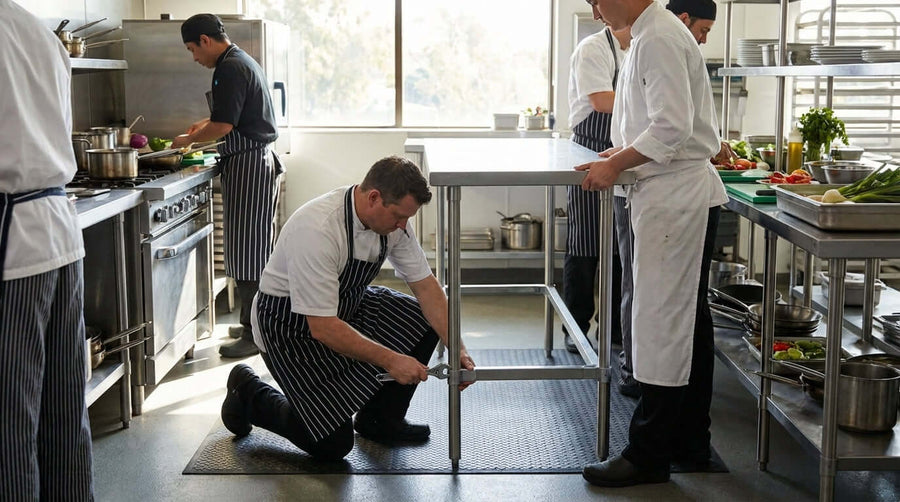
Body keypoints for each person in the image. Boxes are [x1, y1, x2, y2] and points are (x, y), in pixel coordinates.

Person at [220, 156, 477, 460]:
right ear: (374, 198)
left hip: (345, 306)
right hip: (289, 327)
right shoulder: (318, 229)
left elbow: (426, 287)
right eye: (398, 216)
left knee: (423, 320)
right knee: (332, 444)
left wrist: (458, 349)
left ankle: (380, 421)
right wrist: (393, 360)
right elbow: (324, 328)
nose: (403, 226)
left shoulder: (394, 226)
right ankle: (249, 392)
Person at [575, 0, 727, 487]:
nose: (596, 13)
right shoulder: (649, 35)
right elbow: (655, 123)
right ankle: (687, 440)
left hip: (673, 198)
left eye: (596, 1)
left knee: (662, 321)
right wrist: (617, 152)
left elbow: (671, 127)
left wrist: (616, 165)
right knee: (684, 321)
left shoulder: (659, 36)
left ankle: (649, 454)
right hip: (667, 194)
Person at [0, 1, 94, 499]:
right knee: (63, 410)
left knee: (9, 423)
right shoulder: (36, 32)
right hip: (59, 234)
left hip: (15, 249)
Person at [173, 13, 284, 358]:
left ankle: (254, 334)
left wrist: (184, 143)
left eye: (193, 49)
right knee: (250, 248)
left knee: (250, 253)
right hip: (250, 163)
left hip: (250, 165)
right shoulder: (238, 60)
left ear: (206, 40)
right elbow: (231, 115)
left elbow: (224, 126)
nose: (194, 58)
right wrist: (202, 124)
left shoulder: (230, 67)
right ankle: (253, 321)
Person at [565, 3, 639, 399]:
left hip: (625, 155)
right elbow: (600, 101)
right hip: (590, 152)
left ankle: (612, 332)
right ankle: (574, 328)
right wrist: (648, 104)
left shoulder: (641, 45)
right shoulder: (595, 49)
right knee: (586, 246)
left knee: (618, 248)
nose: (596, 14)